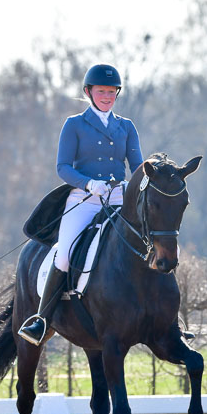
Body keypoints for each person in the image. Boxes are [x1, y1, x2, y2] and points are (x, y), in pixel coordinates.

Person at [19, 64, 144, 345]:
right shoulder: (74, 124)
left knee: (149, 244)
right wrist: (89, 184)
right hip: (84, 199)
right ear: (89, 92)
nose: (107, 96)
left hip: (119, 198)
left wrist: (133, 184)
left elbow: (137, 166)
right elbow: (62, 167)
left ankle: (168, 318)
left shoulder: (126, 126)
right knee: (64, 255)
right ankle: (42, 320)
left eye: (112, 92)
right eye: (101, 91)